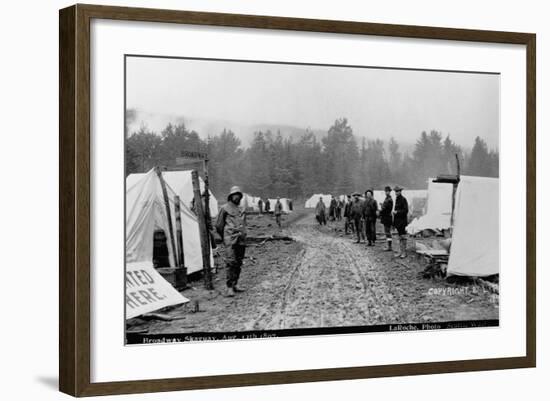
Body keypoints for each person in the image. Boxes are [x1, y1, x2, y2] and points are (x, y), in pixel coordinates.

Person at [216, 186, 247, 297]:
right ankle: (229, 287)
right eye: (235, 195)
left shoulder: (242, 209)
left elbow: (244, 223)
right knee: (231, 262)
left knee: (238, 262)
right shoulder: (224, 208)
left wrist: (244, 233)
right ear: (230, 196)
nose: (237, 197)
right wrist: (226, 237)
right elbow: (219, 225)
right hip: (230, 240)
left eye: (238, 195)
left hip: (241, 240)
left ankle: (235, 284)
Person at [393, 185, 409, 258]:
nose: (396, 193)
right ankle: (400, 251)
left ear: (400, 192)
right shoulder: (397, 199)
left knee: (403, 236)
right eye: (395, 191)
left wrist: (397, 212)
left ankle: (404, 252)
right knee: (399, 237)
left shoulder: (403, 199)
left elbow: (406, 210)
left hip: (402, 221)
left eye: (398, 191)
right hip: (398, 221)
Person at [380, 186, 394, 252]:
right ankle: (389, 245)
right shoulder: (387, 198)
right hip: (386, 217)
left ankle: (389, 246)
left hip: (387, 217)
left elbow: (385, 209)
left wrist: (381, 207)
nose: (386, 192)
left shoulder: (389, 199)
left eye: (387, 191)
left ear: (389, 191)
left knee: (388, 232)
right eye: (385, 191)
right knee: (387, 232)